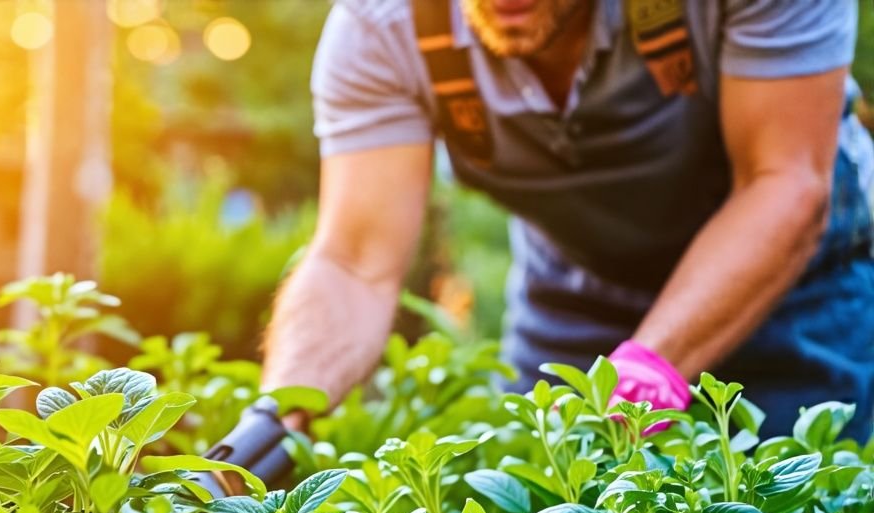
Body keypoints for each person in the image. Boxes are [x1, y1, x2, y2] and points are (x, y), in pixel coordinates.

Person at [260, 0, 874, 440]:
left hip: (793, 287)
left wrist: (639, 378)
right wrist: (271, 422)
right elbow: (354, 261)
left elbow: (784, 182)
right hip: (577, 296)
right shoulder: (381, 27)